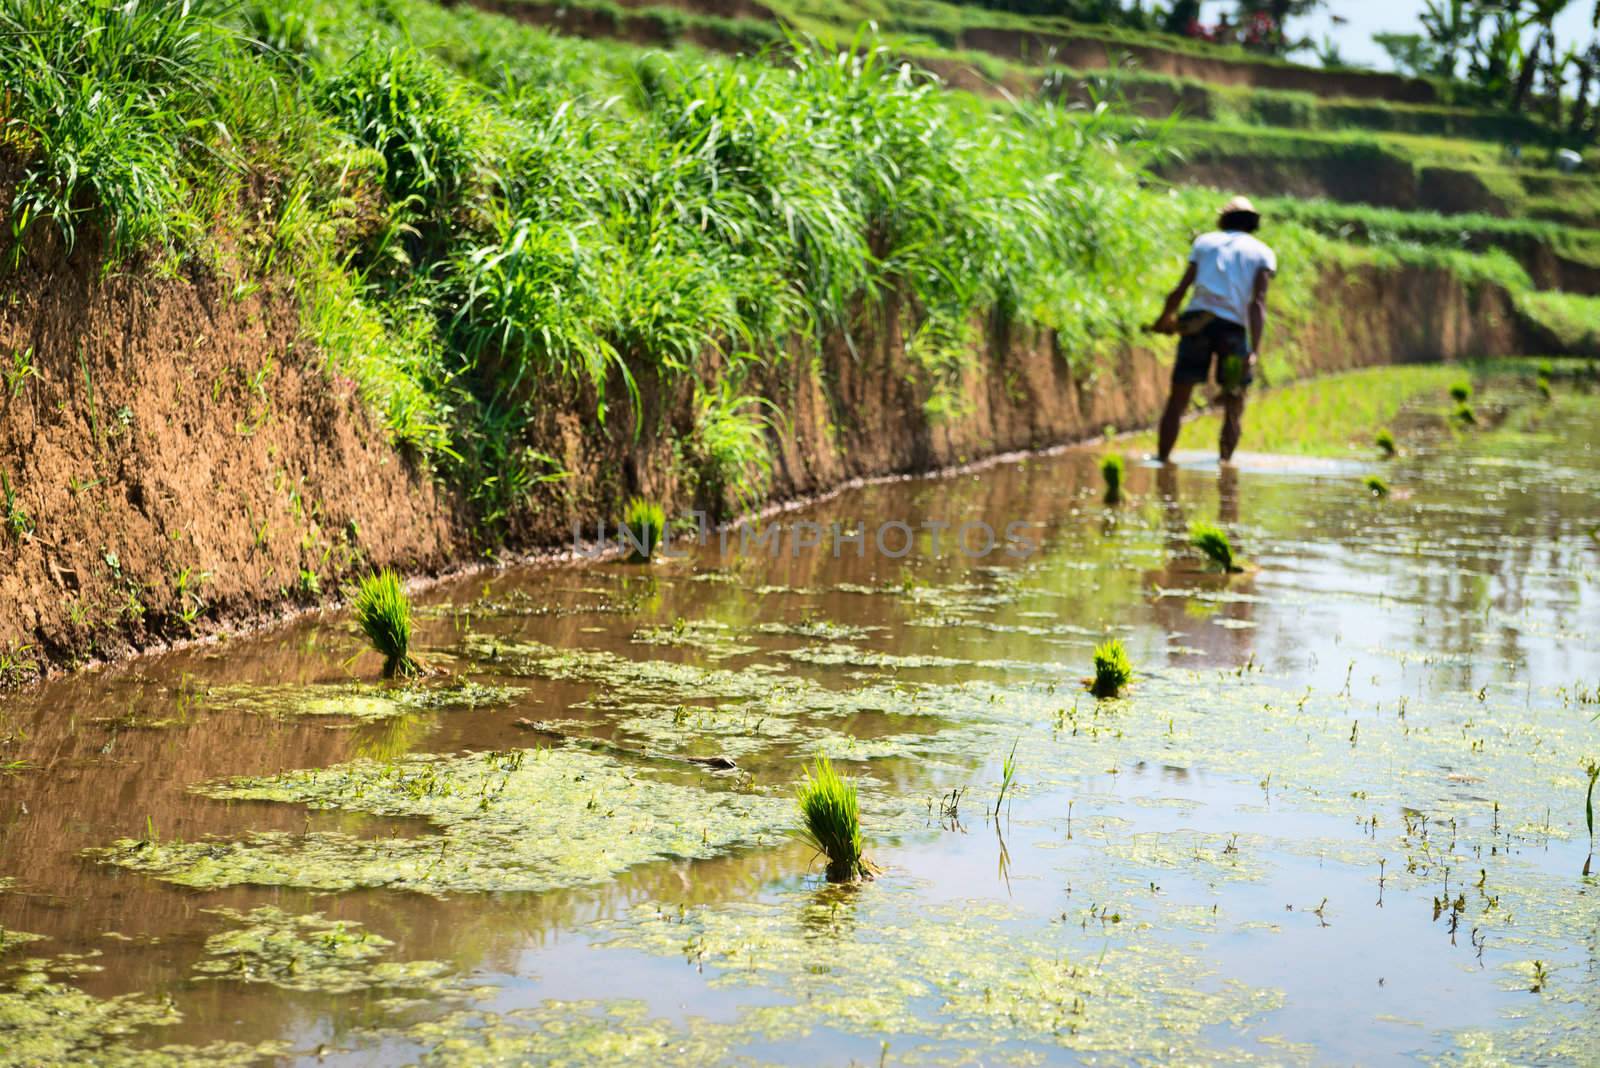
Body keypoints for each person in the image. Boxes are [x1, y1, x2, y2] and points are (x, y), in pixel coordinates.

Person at [1150, 195, 1275, 464]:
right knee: (1234, 402)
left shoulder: (1205, 242)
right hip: (1232, 330)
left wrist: (1164, 319)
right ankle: (1225, 464)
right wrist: (1254, 350)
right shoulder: (1262, 252)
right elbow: (1258, 303)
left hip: (1197, 324)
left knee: (1179, 397)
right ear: (1253, 223)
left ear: (1224, 219)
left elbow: (1182, 289)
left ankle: (1162, 458)